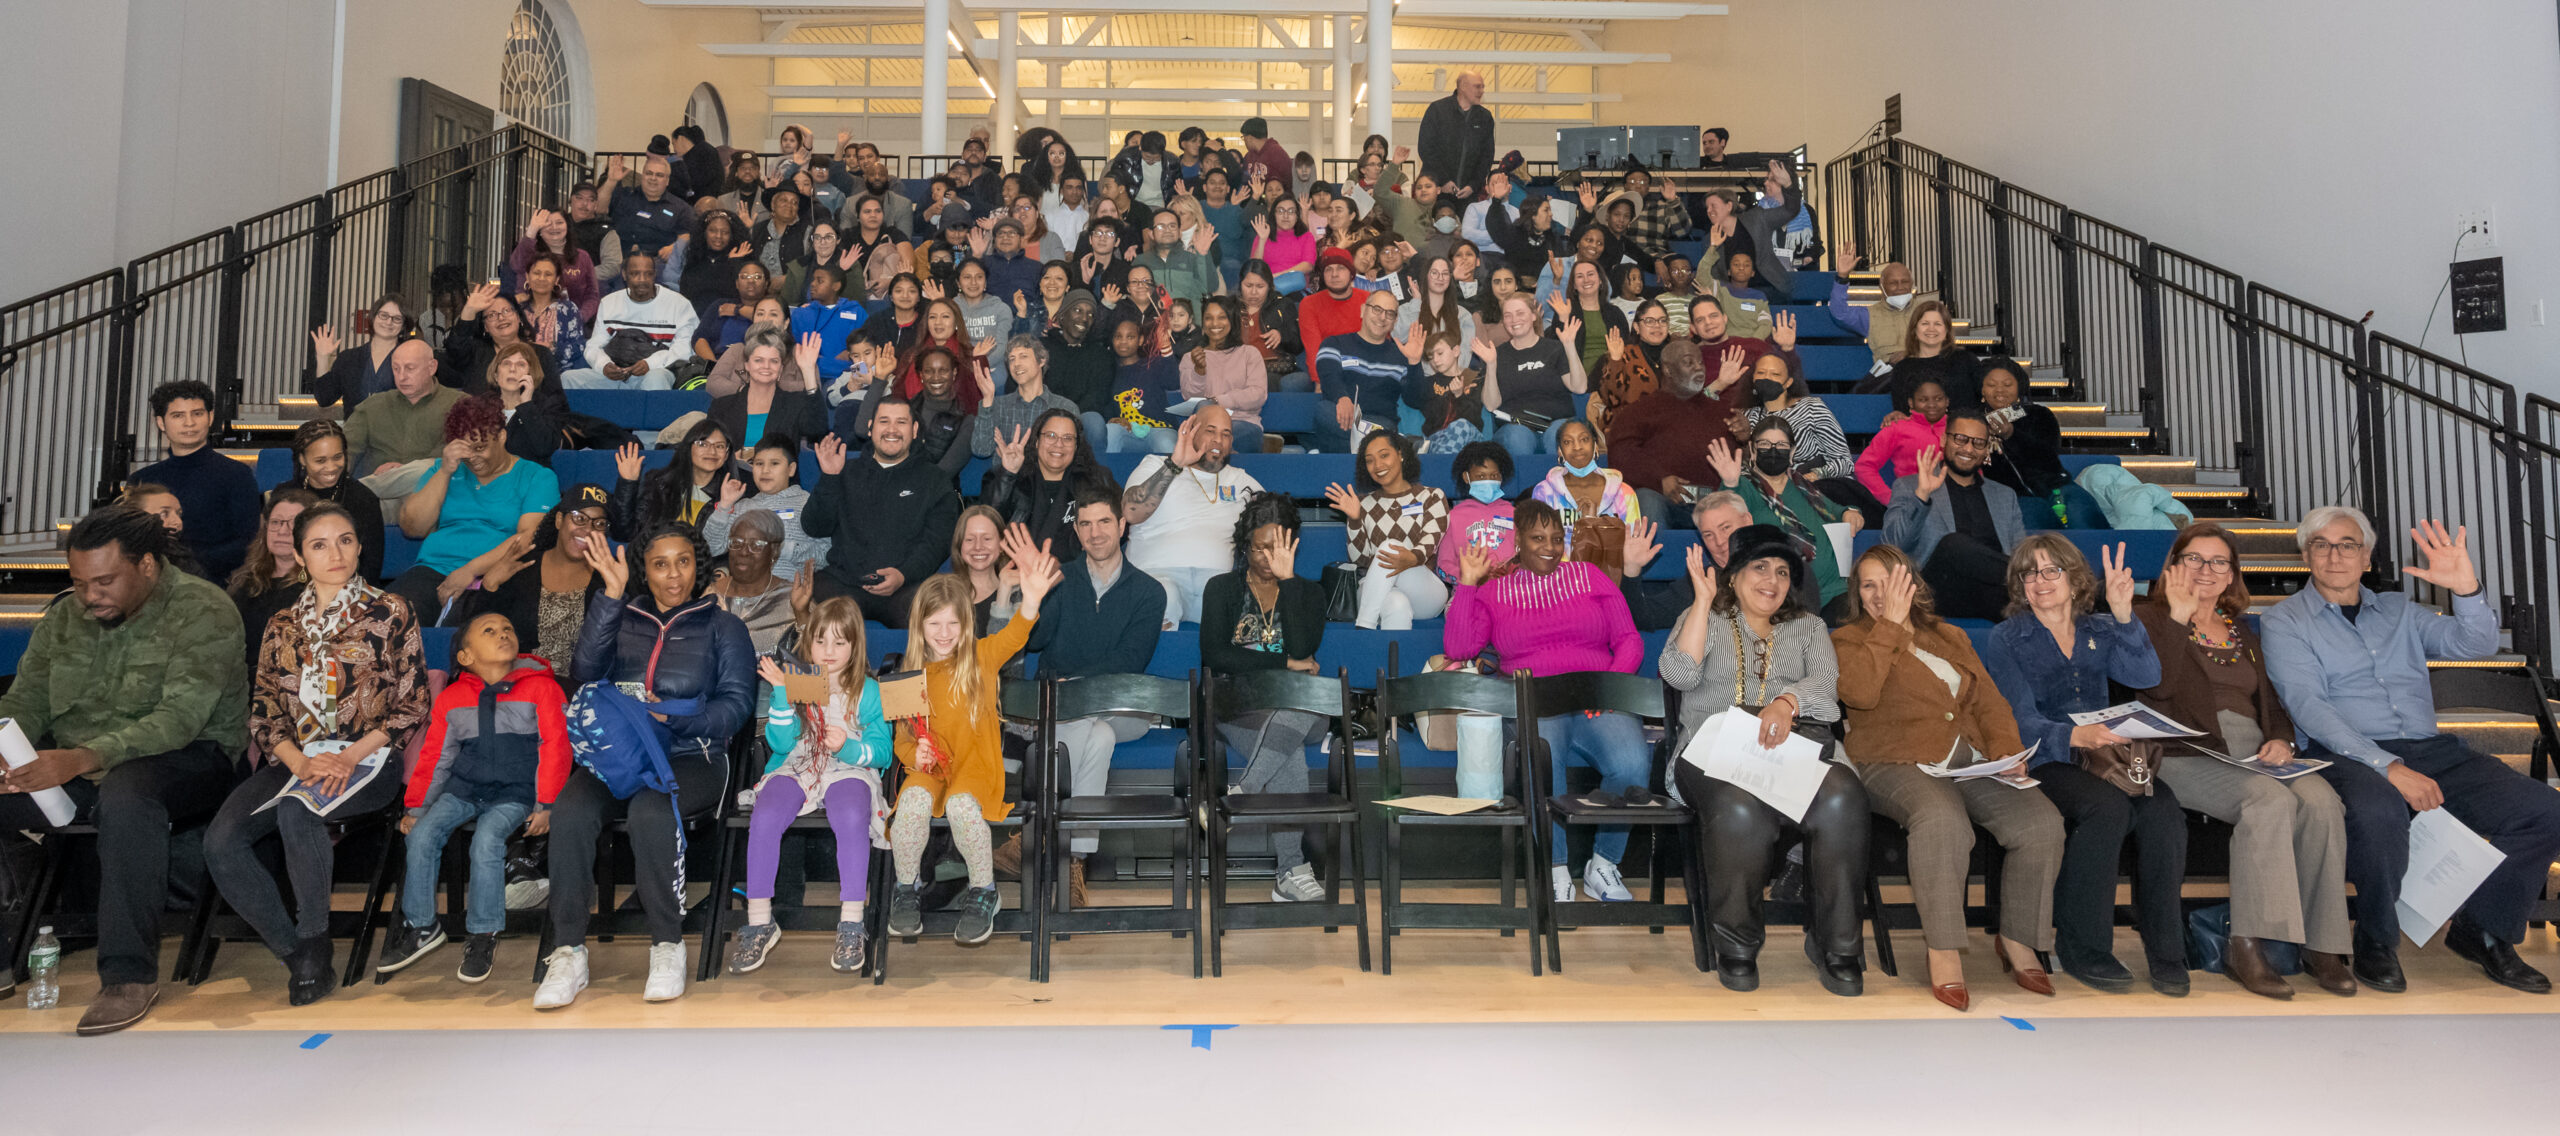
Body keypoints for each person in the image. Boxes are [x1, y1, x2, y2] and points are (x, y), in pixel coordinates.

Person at [2261, 508, 2560, 994]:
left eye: (2348, 544)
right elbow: (2310, 707)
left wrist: (2466, 590)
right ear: (2305, 556)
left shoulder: (2400, 610)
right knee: (2379, 811)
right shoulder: (2283, 620)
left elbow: (2474, 645)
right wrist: (2389, 767)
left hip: (2431, 749)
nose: (2335, 555)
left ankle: (2484, 931)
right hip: (2345, 753)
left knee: (2545, 810)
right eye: (2321, 544)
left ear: (2366, 557)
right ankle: (2376, 940)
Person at [0, 507, 248, 1035]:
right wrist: (6, 750)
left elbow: (178, 719)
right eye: (79, 582)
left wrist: (82, 757)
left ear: (148, 565)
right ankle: (6, 952)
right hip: (75, 765)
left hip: (188, 758)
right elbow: (26, 701)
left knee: (128, 793)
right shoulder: (64, 616)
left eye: (105, 581)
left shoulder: (204, 610)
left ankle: (127, 977)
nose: (90, 596)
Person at [1832, 544, 2066, 1012]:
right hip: (1891, 761)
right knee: (1943, 822)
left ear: (1912, 585)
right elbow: (1858, 693)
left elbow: (1990, 703)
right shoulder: (1847, 640)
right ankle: (1943, 949)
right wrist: (1890, 627)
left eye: (1890, 583)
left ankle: (2018, 938)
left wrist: (2005, 751)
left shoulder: (1949, 635)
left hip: (1968, 760)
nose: (1879, 594)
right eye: (1868, 585)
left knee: (2041, 823)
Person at [535, 521, 756, 1010]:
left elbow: (737, 707)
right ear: (644, 570)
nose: (673, 575)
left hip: (692, 754)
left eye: (683, 562)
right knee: (570, 812)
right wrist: (611, 597)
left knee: (651, 812)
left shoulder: (724, 627)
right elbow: (585, 672)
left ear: (698, 566)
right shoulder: (623, 614)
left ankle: (667, 944)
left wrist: (675, 717)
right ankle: (568, 951)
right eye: (660, 564)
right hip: (620, 754)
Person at [208, 503, 423, 1000]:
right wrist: (301, 762)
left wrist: (347, 757)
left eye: (345, 540)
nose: (336, 553)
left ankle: (314, 940)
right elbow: (264, 710)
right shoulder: (283, 623)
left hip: (367, 757)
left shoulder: (391, 610)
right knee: (222, 841)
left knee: (297, 809)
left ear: (360, 546)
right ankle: (295, 950)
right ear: (301, 557)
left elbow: (412, 704)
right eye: (320, 545)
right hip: (298, 758)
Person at [2132, 523, 2357, 999]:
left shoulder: (2241, 629)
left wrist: (2281, 740)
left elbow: (2270, 702)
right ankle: (2248, 944)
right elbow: (2155, 688)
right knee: (2268, 801)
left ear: (2232, 572)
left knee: (2322, 802)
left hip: (2253, 749)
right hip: (2184, 751)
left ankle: (2323, 945)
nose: (2206, 570)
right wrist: (2179, 617)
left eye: (2219, 561)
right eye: (2194, 559)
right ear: (2173, 566)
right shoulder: (2146, 618)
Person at [1661, 524, 1868, 995]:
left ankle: (1837, 946)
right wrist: (1701, 603)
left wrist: (1787, 701)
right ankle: (1736, 946)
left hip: (1792, 746)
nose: (1772, 581)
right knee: (1740, 808)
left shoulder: (1808, 627)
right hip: (1712, 750)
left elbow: (1826, 688)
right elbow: (1679, 675)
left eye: (1782, 572)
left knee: (1844, 797)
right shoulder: (1703, 616)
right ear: (1733, 574)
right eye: (1759, 568)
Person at [1981, 534, 2187, 995]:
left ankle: (2167, 950)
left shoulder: (2101, 628)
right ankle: (2082, 946)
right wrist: (2073, 735)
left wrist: (2124, 614)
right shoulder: (2008, 637)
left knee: (2163, 810)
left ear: (2075, 580)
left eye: (2051, 570)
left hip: (2103, 757)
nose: (2039, 581)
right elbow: (2016, 716)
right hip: (2045, 757)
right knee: (2106, 809)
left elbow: (2147, 676)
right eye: (2029, 573)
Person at [1444, 498, 1645, 903]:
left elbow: (1629, 640)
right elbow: (1459, 647)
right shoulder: (1494, 591)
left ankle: (1604, 865)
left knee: (1632, 764)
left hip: (1594, 695)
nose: (1549, 546)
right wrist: (1467, 584)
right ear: (1518, 540)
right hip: (1535, 699)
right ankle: (1554, 868)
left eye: (1556, 538)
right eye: (1537, 538)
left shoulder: (1590, 576)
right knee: (1544, 768)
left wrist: (1608, 686)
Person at [379, 612, 571, 985]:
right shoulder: (452, 698)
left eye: (508, 628)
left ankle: (483, 933)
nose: (503, 634)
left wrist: (546, 804)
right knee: (421, 835)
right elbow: (436, 758)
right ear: (465, 657)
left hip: (516, 792)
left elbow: (556, 748)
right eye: (489, 631)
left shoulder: (542, 689)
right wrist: (417, 808)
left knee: (486, 839)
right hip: (464, 789)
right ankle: (422, 926)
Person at [886, 558, 1062, 946]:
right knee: (910, 806)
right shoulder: (908, 673)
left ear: (966, 624)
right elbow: (902, 740)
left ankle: (984, 890)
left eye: (953, 623)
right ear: (920, 627)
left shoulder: (981, 657)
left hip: (975, 769)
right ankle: (906, 888)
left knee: (961, 807)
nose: (944, 633)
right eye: (935, 624)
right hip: (931, 772)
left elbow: (1014, 636)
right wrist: (914, 756)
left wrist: (1031, 600)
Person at [728, 597, 896, 975]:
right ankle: (760, 921)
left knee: (851, 813)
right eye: (820, 641)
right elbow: (781, 742)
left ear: (855, 645)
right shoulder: (799, 682)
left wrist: (848, 746)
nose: (829, 650)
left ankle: (851, 921)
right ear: (809, 643)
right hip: (798, 764)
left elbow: (883, 752)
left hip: (848, 768)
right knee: (766, 814)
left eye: (839, 641)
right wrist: (783, 693)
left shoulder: (868, 691)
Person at [1025, 502, 1169, 897]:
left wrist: (1078, 686)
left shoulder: (1149, 591)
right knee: (1099, 735)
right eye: (1085, 524)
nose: (1095, 532)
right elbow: (1034, 642)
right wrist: (1033, 596)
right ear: (1077, 532)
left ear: (1122, 526)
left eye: (1104, 521)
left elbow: (1131, 660)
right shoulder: (1061, 579)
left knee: (1089, 715)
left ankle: (1038, 833)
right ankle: (1074, 858)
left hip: (1122, 707)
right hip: (1065, 706)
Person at [1197, 492, 1333, 903]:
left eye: (1277, 548)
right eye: (1259, 548)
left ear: (1293, 546)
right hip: (1238, 708)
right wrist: (1284, 664)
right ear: (1245, 547)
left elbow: (1306, 645)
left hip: (1300, 708)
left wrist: (1288, 583)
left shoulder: (1309, 592)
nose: (1268, 557)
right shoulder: (1221, 589)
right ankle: (1290, 871)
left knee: (1293, 710)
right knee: (1288, 752)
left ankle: (1238, 796)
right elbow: (1215, 655)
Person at [391, 396, 563, 622]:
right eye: (464, 450)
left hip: (494, 575)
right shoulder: (444, 470)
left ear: (502, 437)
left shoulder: (536, 476)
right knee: (388, 619)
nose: (472, 458)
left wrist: (471, 570)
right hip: (433, 569)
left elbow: (529, 537)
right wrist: (445, 471)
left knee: (465, 630)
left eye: (480, 448)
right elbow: (413, 527)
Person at [803, 399, 960, 625]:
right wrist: (829, 478)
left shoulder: (935, 480)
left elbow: (937, 542)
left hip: (906, 586)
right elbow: (815, 527)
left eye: (901, 422)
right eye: (884, 421)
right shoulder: (844, 471)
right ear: (870, 428)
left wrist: (904, 575)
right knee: (809, 598)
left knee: (933, 613)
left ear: (915, 430)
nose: (892, 429)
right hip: (845, 583)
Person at [1122, 407, 1262, 627]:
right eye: (1210, 431)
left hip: (1216, 583)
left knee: (1253, 609)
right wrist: (1175, 464)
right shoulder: (1156, 465)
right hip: (1157, 576)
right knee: (1164, 600)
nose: (1218, 440)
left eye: (1226, 434)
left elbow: (1276, 521)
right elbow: (1131, 512)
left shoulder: (1241, 480)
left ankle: (1265, 651)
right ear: (1191, 431)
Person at [1880, 406, 2022, 622]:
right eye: (1960, 439)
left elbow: (2021, 552)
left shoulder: (2004, 495)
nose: (1968, 449)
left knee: (2020, 600)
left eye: (1978, 443)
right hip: (1937, 589)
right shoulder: (1910, 486)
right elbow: (1893, 544)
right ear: (1944, 440)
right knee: (1952, 544)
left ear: (1986, 449)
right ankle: (2029, 582)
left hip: (1991, 589)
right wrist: (1922, 496)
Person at [1709, 417, 1860, 617]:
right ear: (1753, 450)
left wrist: (1851, 512)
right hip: (1784, 597)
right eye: (1765, 445)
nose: (1773, 451)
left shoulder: (1802, 486)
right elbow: (1726, 517)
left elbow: (1836, 511)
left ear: (1792, 452)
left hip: (1834, 592)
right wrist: (1730, 483)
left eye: (1781, 445)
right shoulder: (1744, 487)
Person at [467, 485, 607, 681]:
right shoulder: (523, 566)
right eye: (579, 518)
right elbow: (476, 636)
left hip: (578, 688)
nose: (588, 530)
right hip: (516, 682)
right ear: (559, 520)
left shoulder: (607, 579)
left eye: (599, 524)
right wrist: (490, 586)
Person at [130, 380, 263, 583]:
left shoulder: (237, 474)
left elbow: (248, 541)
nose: (189, 423)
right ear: (161, 422)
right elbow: (130, 539)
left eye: (197, 413)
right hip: (150, 583)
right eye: (178, 415)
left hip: (215, 584)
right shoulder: (142, 479)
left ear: (210, 417)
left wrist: (187, 565)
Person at [1323, 432, 1450, 630]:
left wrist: (1410, 558)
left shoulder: (1431, 496)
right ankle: (1390, 650)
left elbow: (1430, 542)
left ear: (1400, 454)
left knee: (1391, 547)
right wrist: (1355, 520)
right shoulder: (1363, 503)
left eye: (1384, 455)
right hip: (1375, 591)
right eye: (1369, 460)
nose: (1378, 465)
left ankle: (1364, 625)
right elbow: (1358, 560)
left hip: (1423, 589)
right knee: (1396, 605)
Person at [1614, 342, 1750, 525]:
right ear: (1668, 370)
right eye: (1689, 362)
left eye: (1700, 362)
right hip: (1664, 499)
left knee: (1741, 501)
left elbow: (1742, 462)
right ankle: (1648, 545)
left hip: (1713, 500)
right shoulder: (1639, 411)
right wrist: (1659, 480)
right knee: (1647, 499)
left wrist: (1744, 439)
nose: (1698, 368)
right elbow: (1621, 455)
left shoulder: (1722, 410)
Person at [1978, 360, 2106, 529]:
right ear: (1982, 390)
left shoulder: (2039, 414)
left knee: (2079, 513)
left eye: (2007, 384)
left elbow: (2049, 458)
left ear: (2019, 388)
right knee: (2031, 515)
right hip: (2014, 497)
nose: (2000, 390)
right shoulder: (1974, 422)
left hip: (2055, 487)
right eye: (1991, 385)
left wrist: (2012, 435)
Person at [344, 339, 467, 501]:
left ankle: (353, 493)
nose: (402, 377)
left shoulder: (461, 404)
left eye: (410, 368)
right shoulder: (372, 406)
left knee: (432, 466)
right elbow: (345, 450)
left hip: (434, 496)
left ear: (432, 367)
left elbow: (455, 452)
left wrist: (403, 472)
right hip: (380, 500)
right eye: (396, 369)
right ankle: (352, 494)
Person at [564, 250, 697, 391]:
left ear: (654, 275)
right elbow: (594, 345)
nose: (642, 280)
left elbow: (684, 349)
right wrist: (604, 365)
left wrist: (650, 364)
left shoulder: (679, 304)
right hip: (616, 373)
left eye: (648, 274)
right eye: (635, 274)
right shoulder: (609, 302)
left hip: (656, 371)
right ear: (624, 274)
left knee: (655, 378)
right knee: (568, 378)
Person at [1476, 295, 1588, 456]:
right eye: (1508, 315)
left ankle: (1559, 474)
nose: (1514, 320)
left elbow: (1580, 387)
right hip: (1516, 428)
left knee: (1559, 435)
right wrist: (1491, 365)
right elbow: (1491, 405)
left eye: (1520, 313)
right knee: (1517, 438)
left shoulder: (1555, 349)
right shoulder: (1496, 355)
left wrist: (1569, 346)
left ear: (1534, 315)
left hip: (1556, 423)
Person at [703, 436, 827, 581]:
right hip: (744, 590)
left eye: (774, 463)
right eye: (759, 463)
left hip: (789, 590)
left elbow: (825, 556)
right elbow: (711, 548)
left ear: (791, 469)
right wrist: (724, 506)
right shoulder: (743, 507)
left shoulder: (808, 504)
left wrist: (781, 548)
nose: (765, 470)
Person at [1314, 292, 1425, 453]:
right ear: (1362, 310)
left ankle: (1379, 441)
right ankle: (1390, 443)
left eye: (1390, 313)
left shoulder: (1400, 355)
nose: (1382, 317)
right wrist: (1342, 397)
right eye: (1377, 309)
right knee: (1323, 410)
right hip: (1342, 417)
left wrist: (1414, 363)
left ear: (1395, 321)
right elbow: (1329, 375)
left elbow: (1415, 400)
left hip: (1380, 421)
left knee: (1383, 430)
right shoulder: (1334, 343)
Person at [280, 419, 386, 582]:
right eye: (320, 460)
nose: (331, 467)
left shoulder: (363, 499)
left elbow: (370, 568)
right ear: (302, 459)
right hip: (289, 583)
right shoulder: (283, 496)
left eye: (338, 457)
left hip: (346, 587)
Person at [1528, 418, 1641, 566]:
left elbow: (1631, 548)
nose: (1577, 447)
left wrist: (1593, 525)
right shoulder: (1544, 491)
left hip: (1609, 574)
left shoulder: (1624, 493)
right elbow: (1540, 547)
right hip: (1561, 576)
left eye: (1584, 439)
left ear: (1595, 445)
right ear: (1560, 451)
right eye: (1568, 442)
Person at [608, 422, 745, 542]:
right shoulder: (659, 484)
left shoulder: (732, 495)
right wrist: (628, 483)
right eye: (702, 444)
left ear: (726, 454)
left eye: (720, 446)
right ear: (688, 449)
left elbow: (725, 548)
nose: (712, 451)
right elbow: (623, 534)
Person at [229, 488, 321, 664]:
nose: (282, 531)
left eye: (294, 524)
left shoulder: (322, 587)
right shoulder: (245, 580)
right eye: (276, 522)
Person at [708, 328, 831, 452]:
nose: (766, 366)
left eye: (774, 361)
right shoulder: (721, 407)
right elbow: (713, 451)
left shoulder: (794, 404)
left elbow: (817, 430)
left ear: (781, 368)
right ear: (747, 365)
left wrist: (808, 370)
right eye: (758, 360)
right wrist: (732, 458)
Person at [1182, 295, 1272, 454]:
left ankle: (1214, 456)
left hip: (1243, 424)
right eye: (1208, 318)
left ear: (1232, 320)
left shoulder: (1249, 354)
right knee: (1204, 418)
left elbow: (1257, 395)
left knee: (1221, 435)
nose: (1215, 323)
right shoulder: (1191, 357)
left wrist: (1218, 401)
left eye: (1222, 317)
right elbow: (1191, 400)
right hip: (1205, 427)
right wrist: (1199, 372)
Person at [707, 509, 801, 654]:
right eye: (736, 542)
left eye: (756, 545)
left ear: (774, 551)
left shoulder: (791, 599)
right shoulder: (711, 595)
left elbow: (813, 657)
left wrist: (803, 616)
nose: (744, 552)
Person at [1860, 300, 1979, 411]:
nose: (1931, 329)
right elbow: (1903, 410)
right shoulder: (1903, 368)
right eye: (1925, 323)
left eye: (1938, 324)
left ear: (1947, 330)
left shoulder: (1966, 359)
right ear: (1914, 330)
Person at [1828, 242, 1934, 365]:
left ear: (1911, 284)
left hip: (1925, 368)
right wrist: (1842, 277)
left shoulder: (1928, 312)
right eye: (1893, 283)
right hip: (1891, 372)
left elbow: (1944, 345)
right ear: (1882, 287)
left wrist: (1911, 354)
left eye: (1904, 282)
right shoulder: (1870, 315)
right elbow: (1840, 313)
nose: (1900, 287)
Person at [309, 294, 418, 409]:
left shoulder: (412, 360)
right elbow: (324, 398)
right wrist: (322, 358)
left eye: (397, 319)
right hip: (355, 421)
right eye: (383, 315)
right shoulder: (348, 358)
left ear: (403, 326)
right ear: (373, 317)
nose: (388, 322)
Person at [1854, 375, 1950, 503]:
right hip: (1914, 501)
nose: (1932, 404)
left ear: (1947, 401)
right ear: (1911, 402)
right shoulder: (1897, 429)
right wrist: (1889, 498)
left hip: (1958, 502)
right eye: (1923, 399)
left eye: (1938, 399)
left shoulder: (1959, 426)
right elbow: (1864, 466)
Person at [1589, 299, 1672, 436]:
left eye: (1662, 320)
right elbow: (1611, 399)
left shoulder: (1675, 355)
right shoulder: (1623, 354)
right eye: (1649, 321)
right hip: (1627, 430)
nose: (1657, 325)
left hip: (1666, 429)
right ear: (1636, 327)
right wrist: (1615, 361)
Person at [1439, 441, 1518, 583]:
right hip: (1468, 588)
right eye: (1481, 476)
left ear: (1501, 477)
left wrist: (1510, 573)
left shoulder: (1515, 515)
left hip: (1508, 588)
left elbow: (1525, 559)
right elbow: (1443, 566)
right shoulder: (1453, 517)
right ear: (1466, 477)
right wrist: (1470, 577)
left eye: (1493, 476)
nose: (1488, 480)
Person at [605, 153, 699, 264]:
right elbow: (599, 208)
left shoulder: (681, 208)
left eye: (659, 175)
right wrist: (611, 181)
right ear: (642, 175)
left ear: (667, 181)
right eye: (649, 173)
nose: (653, 178)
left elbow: (689, 235)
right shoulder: (624, 196)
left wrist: (676, 247)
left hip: (657, 265)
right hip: (618, 262)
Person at [1417, 71, 1498, 201]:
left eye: (1483, 87)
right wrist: (1443, 180)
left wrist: (1473, 185)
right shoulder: (1438, 110)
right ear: (1463, 86)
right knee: (1444, 214)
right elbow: (1425, 148)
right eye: (1477, 86)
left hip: (1468, 194)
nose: (1481, 91)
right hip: (1437, 191)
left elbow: (1486, 157)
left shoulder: (1485, 117)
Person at [487, 342, 568, 465]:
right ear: (496, 375)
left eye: (521, 364)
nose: (512, 369)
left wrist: (526, 405)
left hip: (532, 474)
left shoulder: (548, 405)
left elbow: (545, 448)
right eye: (506, 363)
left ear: (531, 375)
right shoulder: (480, 407)